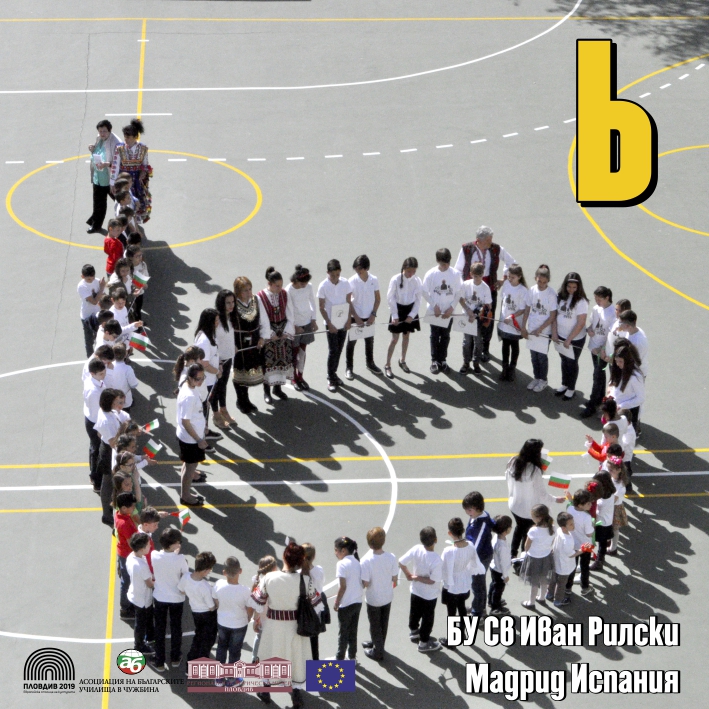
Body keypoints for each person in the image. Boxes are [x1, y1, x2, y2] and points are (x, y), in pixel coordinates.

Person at [248, 542, 321, 708]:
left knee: (270, 657)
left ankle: (265, 691)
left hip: (273, 627)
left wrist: (257, 619)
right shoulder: (306, 580)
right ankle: (296, 696)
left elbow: (257, 602)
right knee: (295, 659)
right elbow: (317, 604)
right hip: (296, 628)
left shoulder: (269, 578)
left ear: (284, 557)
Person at [454, 225, 517, 360]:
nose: (490, 242)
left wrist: (503, 279)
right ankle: (470, 351)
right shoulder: (466, 249)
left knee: (487, 319)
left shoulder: (496, 249)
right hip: (471, 288)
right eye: (488, 240)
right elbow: (458, 270)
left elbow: (511, 262)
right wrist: (463, 286)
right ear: (479, 239)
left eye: (491, 239)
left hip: (489, 287)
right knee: (469, 316)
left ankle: (484, 349)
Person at [505, 439, 565, 561]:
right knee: (527, 533)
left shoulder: (513, 461)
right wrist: (555, 500)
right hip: (529, 510)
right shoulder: (534, 470)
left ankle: (512, 554)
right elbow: (541, 493)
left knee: (519, 528)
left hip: (514, 505)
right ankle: (523, 557)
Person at [439, 517, 484, 647]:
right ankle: (463, 633)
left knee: (451, 613)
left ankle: (452, 640)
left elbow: (443, 569)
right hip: (464, 583)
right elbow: (475, 563)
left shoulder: (448, 551)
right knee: (462, 608)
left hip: (452, 586)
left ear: (450, 533)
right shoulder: (470, 546)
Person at [399, 527, 443, 653]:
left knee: (415, 612)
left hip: (416, 591)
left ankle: (413, 631)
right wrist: (417, 577)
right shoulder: (436, 560)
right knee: (427, 619)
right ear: (435, 540)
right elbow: (432, 580)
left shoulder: (416, 549)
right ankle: (424, 643)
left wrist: (409, 575)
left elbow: (401, 562)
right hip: (430, 595)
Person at [152, 528, 189, 672]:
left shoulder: (154, 555)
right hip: (176, 598)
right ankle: (175, 657)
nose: (179, 544)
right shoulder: (180, 558)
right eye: (178, 542)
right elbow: (186, 575)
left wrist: (174, 553)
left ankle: (159, 661)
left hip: (160, 597)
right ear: (173, 544)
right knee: (176, 627)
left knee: (159, 629)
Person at [213, 557, 253, 687]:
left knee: (221, 648)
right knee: (235, 652)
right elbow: (250, 608)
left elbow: (216, 601)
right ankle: (231, 679)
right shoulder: (245, 590)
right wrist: (248, 617)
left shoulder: (218, 584)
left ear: (224, 572)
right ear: (240, 571)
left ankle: (219, 678)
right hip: (239, 625)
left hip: (222, 623)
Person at [359, 527, 398, 661]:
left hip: (373, 599)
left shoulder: (366, 560)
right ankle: (378, 643)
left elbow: (365, 583)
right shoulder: (391, 557)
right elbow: (394, 578)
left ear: (369, 544)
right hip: (387, 596)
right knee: (383, 623)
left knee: (375, 624)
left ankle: (378, 651)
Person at [422, 248, 463, 374]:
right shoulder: (431, 274)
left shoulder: (455, 274)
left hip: (448, 313)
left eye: (447, 263)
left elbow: (459, 292)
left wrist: (451, 308)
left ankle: (443, 360)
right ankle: (434, 361)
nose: (446, 266)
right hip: (435, 312)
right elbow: (424, 292)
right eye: (443, 264)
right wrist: (434, 306)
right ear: (437, 261)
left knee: (445, 336)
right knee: (434, 336)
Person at [257, 267, 295, 403]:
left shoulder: (284, 294)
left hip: (283, 333)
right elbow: (262, 318)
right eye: (277, 285)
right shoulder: (260, 296)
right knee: (268, 363)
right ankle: (267, 392)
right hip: (270, 333)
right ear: (269, 283)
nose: (280, 288)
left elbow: (290, 313)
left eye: (281, 285)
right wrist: (270, 334)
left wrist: (286, 332)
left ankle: (278, 389)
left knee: (282, 361)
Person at [95, 389, 130, 526]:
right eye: (116, 402)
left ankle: (110, 507)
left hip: (109, 449)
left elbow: (100, 434)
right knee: (108, 483)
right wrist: (123, 429)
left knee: (110, 482)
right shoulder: (106, 420)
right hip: (109, 452)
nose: (118, 404)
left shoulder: (109, 412)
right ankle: (106, 514)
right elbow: (113, 443)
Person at [317, 259, 353, 392]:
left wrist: (349, 320)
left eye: (337, 275)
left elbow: (348, 302)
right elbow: (321, 307)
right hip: (331, 324)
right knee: (333, 350)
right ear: (327, 272)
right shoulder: (323, 286)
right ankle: (330, 377)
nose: (335, 277)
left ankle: (334, 373)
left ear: (340, 272)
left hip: (343, 322)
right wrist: (329, 323)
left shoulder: (346, 283)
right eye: (332, 275)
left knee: (339, 349)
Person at [551, 272, 588, 400]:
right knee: (564, 361)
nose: (571, 290)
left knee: (572, 362)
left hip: (575, 339)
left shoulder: (581, 301)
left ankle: (571, 388)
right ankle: (565, 384)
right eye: (569, 287)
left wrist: (569, 339)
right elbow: (554, 316)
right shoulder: (560, 297)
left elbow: (581, 322)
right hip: (560, 336)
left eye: (574, 287)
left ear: (579, 287)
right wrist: (554, 333)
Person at [345, 254, 383, 379]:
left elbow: (378, 299)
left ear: (366, 268)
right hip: (355, 317)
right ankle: (349, 368)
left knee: (369, 342)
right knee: (351, 343)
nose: (357, 271)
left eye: (360, 269)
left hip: (369, 318)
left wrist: (373, 315)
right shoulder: (352, 281)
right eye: (356, 269)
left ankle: (370, 364)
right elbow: (348, 301)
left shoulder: (374, 280)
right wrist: (356, 317)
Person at [175, 363, 208, 507]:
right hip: (190, 440)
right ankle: (185, 496)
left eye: (202, 378)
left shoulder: (188, 386)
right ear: (190, 378)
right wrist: (199, 439)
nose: (200, 381)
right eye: (197, 379)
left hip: (189, 436)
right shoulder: (189, 397)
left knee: (188, 464)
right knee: (190, 467)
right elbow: (186, 422)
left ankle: (188, 485)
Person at [179, 551, 218, 670]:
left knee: (198, 636)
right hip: (207, 615)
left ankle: (189, 663)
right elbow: (211, 607)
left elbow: (181, 590)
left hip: (195, 612)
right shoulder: (205, 586)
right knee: (208, 640)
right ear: (205, 570)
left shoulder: (186, 577)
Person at [521, 265, 557, 393]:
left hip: (543, 333)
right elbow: (527, 309)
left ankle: (543, 380)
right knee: (533, 356)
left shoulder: (551, 294)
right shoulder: (532, 290)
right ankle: (536, 377)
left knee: (542, 357)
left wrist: (540, 329)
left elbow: (552, 316)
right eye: (539, 281)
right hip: (532, 330)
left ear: (548, 281)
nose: (541, 284)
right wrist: (523, 327)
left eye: (544, 282)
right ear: (535, 278)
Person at [385, 256, 422, 379]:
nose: (411, 274)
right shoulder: (395, 279)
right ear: (404, 268)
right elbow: (390, 298)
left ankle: (402, 360)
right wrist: (394, 315)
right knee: (394, 339)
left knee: (406, 336)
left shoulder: (417, 280)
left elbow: (418, 300)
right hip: (398, 310)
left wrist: (412, 315)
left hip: (409, 310)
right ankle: (387, 365)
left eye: (414, 271)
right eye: (409, 271)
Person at [231, 276, 264, 414]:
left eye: (250, 289)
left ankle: (246, 400)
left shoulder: (256, 300)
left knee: (249, 372)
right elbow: (228, 327)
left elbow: (264, 320)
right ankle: (241, 400)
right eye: (245, 290)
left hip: (254, 343)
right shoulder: (233, 304)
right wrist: (231, 345)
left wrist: (263, 337)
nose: (249, 292)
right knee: (240, 372)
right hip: (239, 344)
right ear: (238, 291)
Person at [110, 118, 152, 223]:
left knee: (138, 201)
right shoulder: (119, 148)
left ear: (135, 137)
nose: (126, 139)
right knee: (124, 201)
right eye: (125, 137)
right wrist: (112, 183)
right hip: (124, 179)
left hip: (137, 180)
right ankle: (125, 221)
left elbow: (145, 164)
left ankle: (135, 222)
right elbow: (115, 166)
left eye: (128, 137)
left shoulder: (143, 148)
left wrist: (143, 172)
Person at [285, 265, 318, 391]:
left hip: (307, 323)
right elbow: (288, 311)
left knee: (303, 352)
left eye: (306, 283)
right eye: (303, 283)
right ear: (296, 280)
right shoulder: (288, 290)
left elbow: (312, 303)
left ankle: (300, 376)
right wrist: (294, 326)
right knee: (294, 354)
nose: (305, 285)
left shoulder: (309, 286)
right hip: (295, 327)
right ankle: (293, 378)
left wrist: (313, 320)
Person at [87, 119, 122, 233]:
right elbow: (98, 153)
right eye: (100, 131)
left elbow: (119, 163)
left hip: (110, 179)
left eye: (104, 131)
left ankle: (128, 222)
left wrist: (107, 164)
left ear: (110, 130)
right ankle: (96, 225)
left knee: (121, 201)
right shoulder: (99, 138)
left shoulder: (116, 143)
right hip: (98, 178)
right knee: (98, 203)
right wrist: (93, 149)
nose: (102, 134)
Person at [194, 308, 223, 442]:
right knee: (204, 407)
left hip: (210, 379)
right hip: (206, 381)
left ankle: (204, 430)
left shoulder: (209, 334)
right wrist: (217, 372)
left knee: (206, 405)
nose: (218, 323)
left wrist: (219, 364)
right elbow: (204, 364)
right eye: (216, 321)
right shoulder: (204, 340)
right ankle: (203, 432)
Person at [458, 262, 492, 374]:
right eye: (475, 276)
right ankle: (466, 363)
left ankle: (476, 363)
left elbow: (488, 305)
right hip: (466, 318)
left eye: (480, 276)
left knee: (478, 342)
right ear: (471, 274)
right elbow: (461, 299)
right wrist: (468, 311)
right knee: (467, 342)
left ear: (483, 274)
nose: (477, 279)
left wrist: (476, 314)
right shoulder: (465, 284)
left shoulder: (485, 288)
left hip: (478, 320)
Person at [519, 504, 555, 609]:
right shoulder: (553, 528)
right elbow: (552, 542)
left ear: (539, 518)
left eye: (533, 517)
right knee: (544, 579)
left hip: (534, 558)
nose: (532, 519)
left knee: (534, 582)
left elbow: (526, 546)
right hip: (546, 557)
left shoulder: (533, 530)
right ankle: (542, 597)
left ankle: (531, 602)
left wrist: (526, 552)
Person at [496, 264, 528, 382]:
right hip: (504, 323)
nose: (510, 279)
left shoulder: (523, 290)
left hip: (514, 325)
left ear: (519, 277)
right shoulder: (506, 284)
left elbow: (523, 309)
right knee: (505, 345)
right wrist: (502, 317)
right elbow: (503, 302)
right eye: (509, 276)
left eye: (512, 277)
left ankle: (512, 368)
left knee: (514, 345)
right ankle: (504, 368)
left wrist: (512, 316)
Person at [333, 536, 362, 662]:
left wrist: (336, 602)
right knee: (353, 631)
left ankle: (340, 659)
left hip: (346, 605)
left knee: (343, 633)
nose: (335, 553)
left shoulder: (341, 564)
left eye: (336, 550)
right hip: (357, 602)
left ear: (343, 550)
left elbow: (343, 587)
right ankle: (352, 657)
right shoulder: (357, 562)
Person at [127, 531, 155, 654]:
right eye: (148, 545)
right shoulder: (141, 566)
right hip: (142, 599)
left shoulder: (131, 557)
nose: (150, 546)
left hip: (136, 595)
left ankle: (150, 635)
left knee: (147, 618)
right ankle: (139, 645)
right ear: (142, 549)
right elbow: (149, 584)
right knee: (141, 623)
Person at [212, 290, 237, 428]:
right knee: (216, 388)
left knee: (223, 386)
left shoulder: (230, 316)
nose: (231, 305)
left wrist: (234, 346)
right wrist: (218, 361)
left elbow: (229, 335)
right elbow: (213, 340)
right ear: (221, 303)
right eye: (228, 303)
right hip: (218, 361)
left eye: (232, 302)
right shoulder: (216, 319)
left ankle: (223, 409)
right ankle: (216, 414)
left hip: (228, 357)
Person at [608, 340, 645, 429]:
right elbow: (613, 385)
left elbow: (640, 398)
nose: (617, 364)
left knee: (627, 434)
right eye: (616, 361)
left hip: (629, 412)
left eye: (620, 361)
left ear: (627, 360)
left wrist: (621, 406)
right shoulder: (618, 369)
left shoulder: (635, 377)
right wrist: (610, 396)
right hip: (616, 409)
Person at [565, 489, 595, 597]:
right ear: (581, 505)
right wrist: (593, 527)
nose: (591, 505)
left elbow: (571, 504)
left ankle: (568, 588)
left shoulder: (569, 509)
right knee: (584, 567)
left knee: (571, 567)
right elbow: (589, 534)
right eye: (588, 503)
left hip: (573, 544)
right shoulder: (587, 517)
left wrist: (570, 499)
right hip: (585, 546)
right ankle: (585, 587)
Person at [83, 359, 107, 493]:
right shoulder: (94, 392)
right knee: (96, 451)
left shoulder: (93, 381)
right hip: (94, 422)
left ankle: (94, 476)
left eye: (104, 372)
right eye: (101, 374)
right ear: (92, 373)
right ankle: (96, 480)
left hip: (92, 419)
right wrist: (99, 429)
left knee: (94, 449)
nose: (104, 375)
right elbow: (95, 412)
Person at [250, 556, 279, 664]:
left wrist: (255, 620)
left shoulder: (259, 583)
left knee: (259, 638)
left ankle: (255, 659)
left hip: (263, 621)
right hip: (276, 621)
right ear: (274, 568)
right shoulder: (278, 582)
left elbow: (257, 605)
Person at [115, 492, 139, 619]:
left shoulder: (120, 514)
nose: (134, 508)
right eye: (132, 507)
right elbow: (131, 543)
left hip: (122, 553)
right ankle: (125, 608)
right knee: (127, 581)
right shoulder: (124, 524)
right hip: (126, 555)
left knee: (126, 579)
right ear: (124, 508)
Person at [301, 543, 326, 661]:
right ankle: (315, 664)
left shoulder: (298, 573)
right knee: (314, 640)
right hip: (316, 608)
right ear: (314, 556)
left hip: (302, 611)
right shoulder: (319, 570)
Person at [547, 512, 577, 607]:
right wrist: (582, 550)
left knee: (553, 580)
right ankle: (558, 600)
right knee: (561, 584)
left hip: (555, 561)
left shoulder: (559, 530)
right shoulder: (567, 540)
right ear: (564, 527)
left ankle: (549, 594)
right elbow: (571, 554)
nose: (573, 525)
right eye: (571, 524)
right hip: (564, 565)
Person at [589, 471, 617, 571]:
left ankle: (599, 561)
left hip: (601, 523)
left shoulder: (602, 498)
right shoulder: (610, 492)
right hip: (607, 521)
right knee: (603, 542)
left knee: (602, 543)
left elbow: (598, 512)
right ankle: (601, 558)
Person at [78, 265, 106, 357]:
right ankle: (90, 358)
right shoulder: (82, 286)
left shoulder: (97, 281)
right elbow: (94, 302)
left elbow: (103, 296)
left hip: (98, 314)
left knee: (101, 337)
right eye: (89, 279)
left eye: (93, 278)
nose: (91, 280)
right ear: (82, 276)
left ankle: (102, 356)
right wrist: (102, 288)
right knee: (89, 340)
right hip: (87, 316)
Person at [488, 515, 513, 615]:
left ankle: (491, 600)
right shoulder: (502, 545)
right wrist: (505, 576)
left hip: (494, 567)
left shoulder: (496, 537)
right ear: (506, 529)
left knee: (493, 585)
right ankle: (495, 607)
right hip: (500, 571)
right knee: (498, 589)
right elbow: (503, 562)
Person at [616, 310, 649, 379]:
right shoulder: (630, 331)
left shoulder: (638, 342)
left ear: (627, 326)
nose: (619, 325)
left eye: (621, 323)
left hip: (636, 375)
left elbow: (635, 362)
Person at [607, 456, 629, 554]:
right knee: (609, 527)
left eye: (611, 470)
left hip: (614, 508)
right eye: (608, 469)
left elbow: (612, 500)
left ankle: (613, 548)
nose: (609, 471)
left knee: (614, 529)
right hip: (610, 507)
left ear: (619, 470)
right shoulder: (612, 478)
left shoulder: (620, 486)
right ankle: (609, 541)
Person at [111, 343, 138, 413]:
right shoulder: (128, 369)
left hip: (112, 399)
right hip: (125, 400)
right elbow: (134, 384)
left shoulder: (108, 367)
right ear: (125, 354)